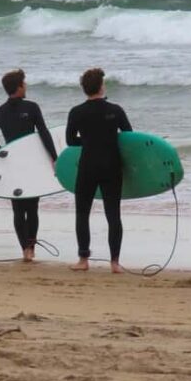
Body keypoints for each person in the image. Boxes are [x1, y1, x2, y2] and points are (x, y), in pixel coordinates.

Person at [66, 68, 132, 274]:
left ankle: (83, 259)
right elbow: (129, 137)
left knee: (82, 213)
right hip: (112, 166)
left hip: (87, 166)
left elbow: (70, 141)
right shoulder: (116, 109)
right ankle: (114, 263)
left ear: (84, 89)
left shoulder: (76, 112)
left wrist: (87, 141)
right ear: (102, 86)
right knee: (113, 214)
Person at [0, 69, 57, 261]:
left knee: (18, 208)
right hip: (30, 163)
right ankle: (30, 249)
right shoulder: (32, 107)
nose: (26, 86)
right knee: (31, 208)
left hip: (13, 165)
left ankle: (25, 249)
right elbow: (44, 133)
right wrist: (54, 157)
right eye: (24, 84)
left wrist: (3, 154)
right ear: (18, 87)